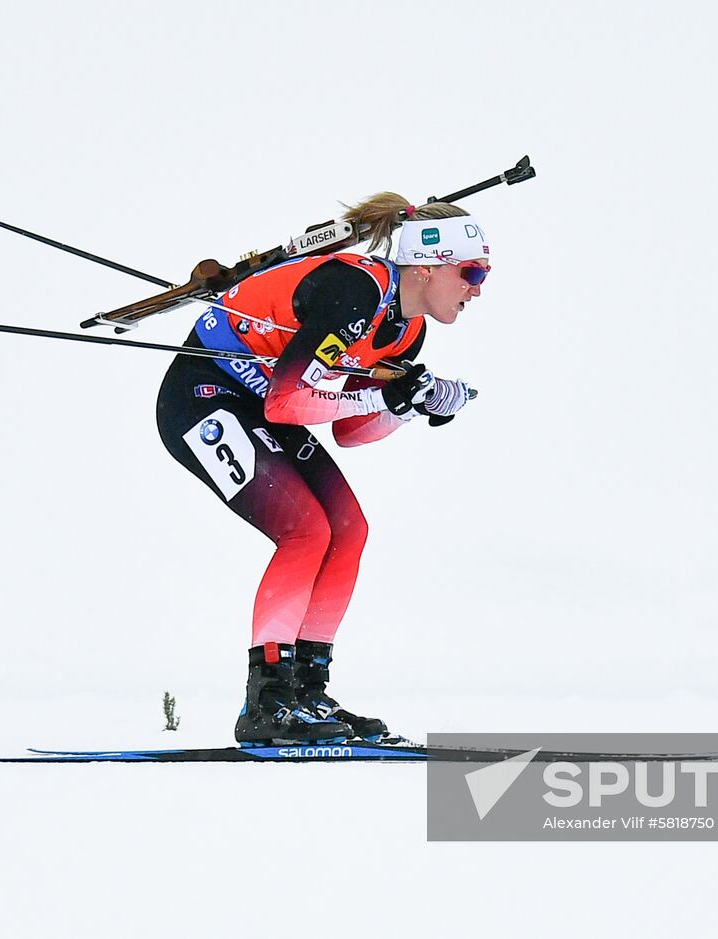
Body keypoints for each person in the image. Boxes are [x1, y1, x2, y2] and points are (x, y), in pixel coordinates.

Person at [154, 193, 491, 746]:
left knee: (349, 529)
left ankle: (307, 691)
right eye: (471, 272)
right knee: (305, 530)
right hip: (204, 395)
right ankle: (266, 702)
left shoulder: (408, 330)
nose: (477, 288)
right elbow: (288, 401)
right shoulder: (354, 290)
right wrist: (383, 398)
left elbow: (350, 431)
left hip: (264, 405)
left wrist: (408, 406)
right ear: (428, 267)